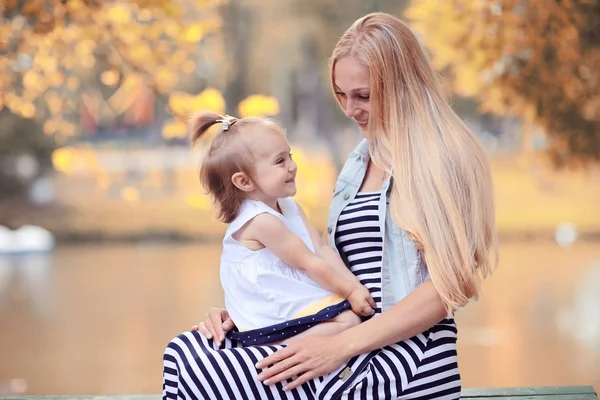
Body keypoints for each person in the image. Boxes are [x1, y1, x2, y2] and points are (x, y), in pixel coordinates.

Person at [163, 12, 497, 400]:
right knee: (190, 351)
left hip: (399, 360)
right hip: (343, 335)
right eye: (341, 94)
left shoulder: (441, 157)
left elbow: (450, 287)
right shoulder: (359, 161)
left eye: (364, 96)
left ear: (402, 84)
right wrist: (248, 312)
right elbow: (316, 259)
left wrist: (339, 347)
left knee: (197, 373)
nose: (349, 109)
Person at [187, 111, 375, 347]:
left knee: (350, 316)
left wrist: (356, 287)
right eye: (280, 161)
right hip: (268, 315)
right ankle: (277, 351)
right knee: (348, 322)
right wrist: (349, 292)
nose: (293, 166)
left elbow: (321, 250)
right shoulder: (260, 221)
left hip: (289, 299)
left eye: (290, 156)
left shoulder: (290, 207)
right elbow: (308, 262)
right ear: (244, 181)